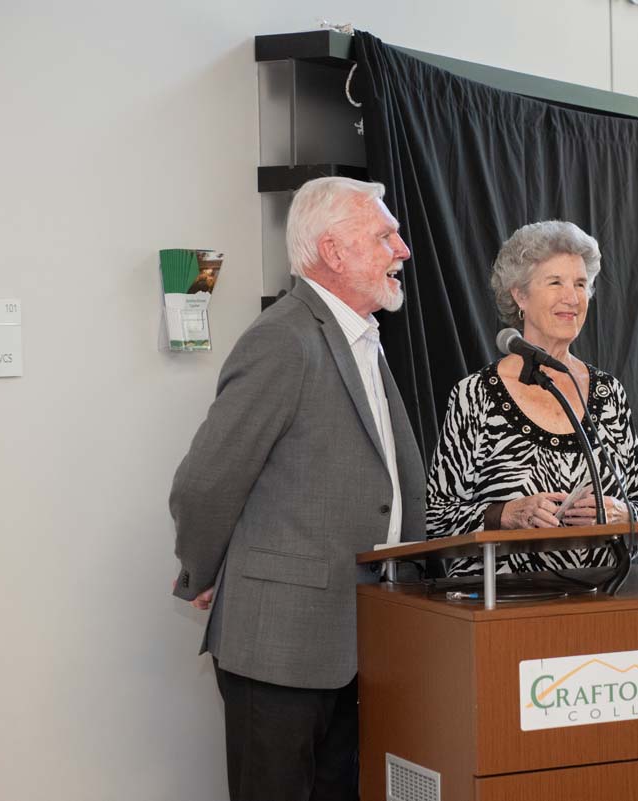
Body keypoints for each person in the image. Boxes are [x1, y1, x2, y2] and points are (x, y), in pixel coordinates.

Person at [169, 176, 425, 801]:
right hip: (279, 642)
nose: (403, 249)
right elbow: (206, 481)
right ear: (334, 252)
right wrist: (201, 571)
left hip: (357, 639)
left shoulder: (362, 339)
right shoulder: (283, 338)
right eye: (384, 235)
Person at [426, 220, 638, 575]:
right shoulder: (475, 395)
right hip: (503, 608)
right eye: (555, 282)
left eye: (581, 284)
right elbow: (436, 519)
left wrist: (620, 513)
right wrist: (505, 514)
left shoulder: (608, 393)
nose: (573, 297)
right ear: (519, 295)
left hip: (602, 603)